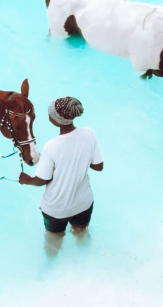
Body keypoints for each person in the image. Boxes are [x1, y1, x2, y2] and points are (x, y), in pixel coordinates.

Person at [19, 97, 103, 254]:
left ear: (56, 120)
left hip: (56, 210)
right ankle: (87, 261)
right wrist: (79, 160)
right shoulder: (89, 134)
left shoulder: (51, 146)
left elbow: (42, 179)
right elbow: (98, 166)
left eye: (50, 114)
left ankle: (51, 268)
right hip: (83, 204)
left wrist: (26, 179)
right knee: (81, 235)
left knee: (53, 241)